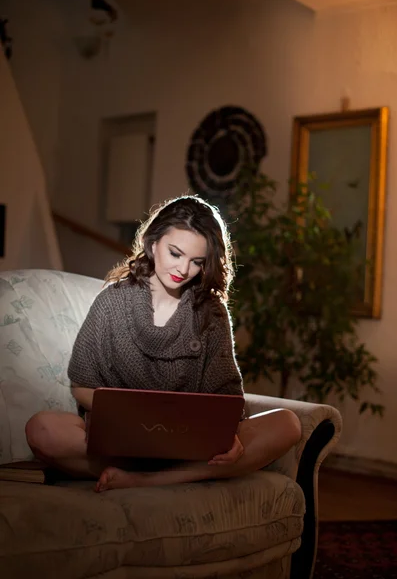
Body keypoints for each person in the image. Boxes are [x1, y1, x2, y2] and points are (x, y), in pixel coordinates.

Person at [25, 195, 301, 492]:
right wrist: (135, 417)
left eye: (196, 261)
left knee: (288, 424)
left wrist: (226, 431)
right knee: (42, 428)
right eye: (175, 253)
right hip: (122, 440)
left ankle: (149, 480)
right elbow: (82, 384)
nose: (183, 269)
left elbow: (226, 394)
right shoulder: (112, 302)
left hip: (191, 442)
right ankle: (151, 472)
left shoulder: (210, 312)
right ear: (153, 243)